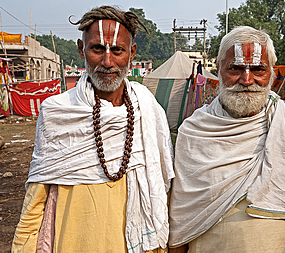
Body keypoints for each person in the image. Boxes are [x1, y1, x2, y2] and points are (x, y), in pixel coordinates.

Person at [12, 6, 174, 253]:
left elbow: (162, 185)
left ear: (131, 53)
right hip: (74, 241)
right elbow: (37, 195)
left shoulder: (148, 109)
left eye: (117, 50)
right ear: (81, 49)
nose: (107, 62)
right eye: (97, 49)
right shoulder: (57, 111)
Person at [168, 26, 285, 253]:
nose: (246, 79)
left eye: (258, 69)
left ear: (272, 74)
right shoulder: (194, 132)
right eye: (235, 68)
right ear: (219, 69)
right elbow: (181, 219)